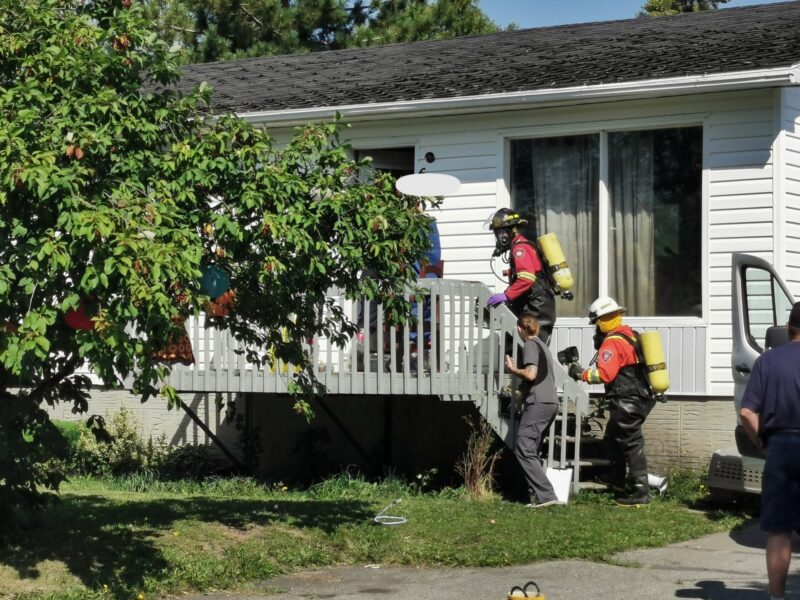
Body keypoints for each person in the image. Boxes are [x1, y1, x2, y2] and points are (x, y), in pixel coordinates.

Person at [567, 296, 656, 505]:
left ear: (602, 321)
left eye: (596, 323)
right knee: (614, 439)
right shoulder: (630, 335)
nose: (596, 329)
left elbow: (605, 374)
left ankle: (640, 492)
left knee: (632, 444)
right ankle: (616, 482)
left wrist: (581, 374)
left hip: (627, 400)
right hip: (640, 396)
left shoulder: (612, 342)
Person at [739, 301, 800, 600]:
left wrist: (763, 442)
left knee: (779, 530)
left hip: (781, 447)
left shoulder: (767, 361)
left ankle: (777, 597)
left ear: (789, 330)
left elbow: (747, 413)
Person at [504, 312, 560, 507]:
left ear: (520, 329)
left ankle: (547, 495)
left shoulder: (529, 345)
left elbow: (531, 374)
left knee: (524, 447)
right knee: (531, 449)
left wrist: (513, 370)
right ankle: (530, 494)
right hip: (550, 403)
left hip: (539, 403)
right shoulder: (544, 346)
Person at [485, 208, 556, 343]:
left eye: (505, 232)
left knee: (530, 353)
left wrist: (506, 295)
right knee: (516, 349)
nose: (502, 236)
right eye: (499, 233)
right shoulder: (520, 246)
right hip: (535, 307)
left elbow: (526, 278)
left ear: (514, 230)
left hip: (537, 309)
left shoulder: (520, 249)